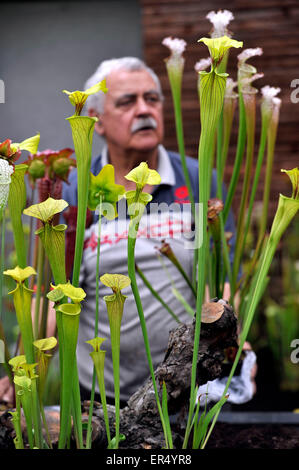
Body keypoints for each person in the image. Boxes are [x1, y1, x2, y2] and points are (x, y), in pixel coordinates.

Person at [62, 57, 238, 406]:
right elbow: (56, 291)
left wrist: (233, 340)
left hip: (189, 390)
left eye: (152, 99)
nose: (144, 110)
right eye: (127, 101)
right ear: (95, 120)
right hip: (99, 395)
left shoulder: (197, 179)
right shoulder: (75, 191)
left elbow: (222, 277)